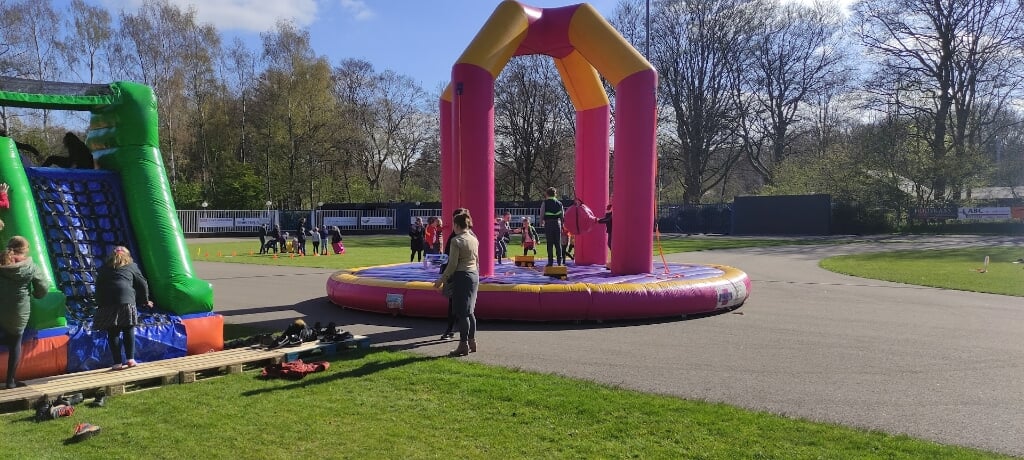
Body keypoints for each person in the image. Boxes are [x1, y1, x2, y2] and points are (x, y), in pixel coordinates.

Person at [0, 236, 48, 388]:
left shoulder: (2, 261)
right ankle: (10, 381)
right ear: (25, 250)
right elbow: (43, 287)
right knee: (15, 345)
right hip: (17, 311)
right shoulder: (30, 267)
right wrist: (36, 295)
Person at [94, 246, 152, 370]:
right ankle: (130, 359)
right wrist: (145, 301)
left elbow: (98, 286)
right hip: (126, 299)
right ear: (128, 256)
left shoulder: (104, 268)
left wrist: (99, 303)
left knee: (113, 331)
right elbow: (142, 283)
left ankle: (117, 362)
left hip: (107, 301)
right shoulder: (132, 266)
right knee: (128, 328)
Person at [433, 213, 479, 357]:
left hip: (461, 276)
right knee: (470, 311)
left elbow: (452, 264)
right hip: (473, 275)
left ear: (457, 225)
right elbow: (477, 259)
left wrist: (442, 279)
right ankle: (472, 341)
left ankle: (463, 345)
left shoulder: (456, 240)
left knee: (462, 312)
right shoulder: (473, 238)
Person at [440, 208, 469, 340]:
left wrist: (443, 275)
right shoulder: (462, 237)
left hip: (458, 274)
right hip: (461, 274)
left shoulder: (457, 238)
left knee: (458, 304)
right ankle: (464, 334)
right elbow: (447, 257)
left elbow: (450, 261)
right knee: (459, 304)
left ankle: (454, 330)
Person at [540, 187, 565, 266]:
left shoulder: (545, 202)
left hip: (548, 223)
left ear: (547, 194)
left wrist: (541, 222)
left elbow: (542, 212)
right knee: (558, 243)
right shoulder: (559, 203)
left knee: (549, 243)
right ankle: (559, 262)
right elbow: (562, 215)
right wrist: (562, 224)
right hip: (557, 223)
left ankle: (550, 262)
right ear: (555, 194)